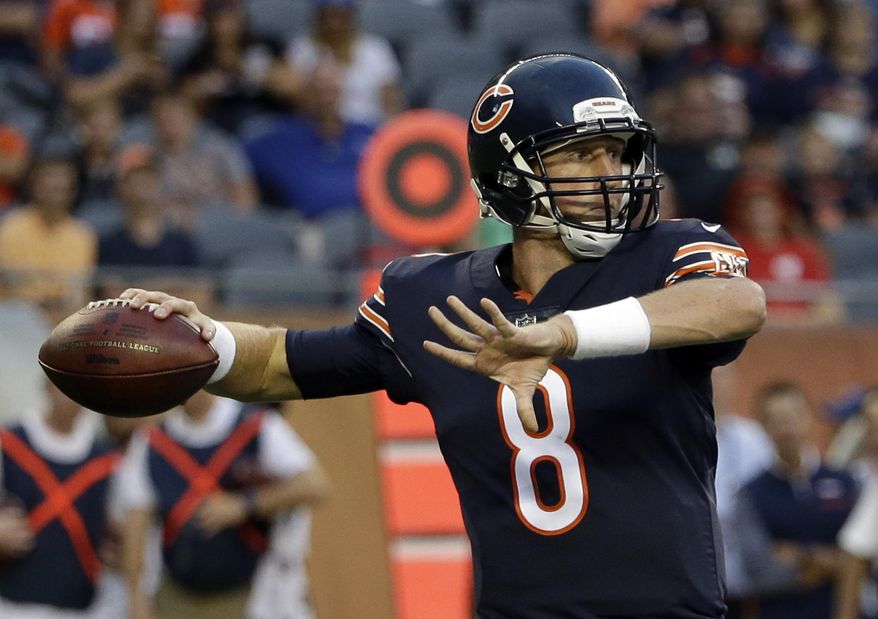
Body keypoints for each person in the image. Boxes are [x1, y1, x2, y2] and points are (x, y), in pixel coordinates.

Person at [119, 54, 767, 617]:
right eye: (583, 152)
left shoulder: (669, 253)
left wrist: (564, 334)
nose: (612, 170)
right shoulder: (433, 296)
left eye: (617, 149)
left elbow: (737, 301)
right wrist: (202, 339)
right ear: (511, 172)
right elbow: (281, 364)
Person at [117, 390, 327, 619]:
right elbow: (136, 520)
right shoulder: (151, 440)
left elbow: (315, 485)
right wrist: (136, 597)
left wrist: (243, 504)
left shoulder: (255, 425)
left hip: (245, 594)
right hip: (176, 594)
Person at [739, 381, 858, 619]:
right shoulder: (751, 493)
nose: (788, 429)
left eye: (793, 416)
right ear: (764, 427)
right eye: (777, 420)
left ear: (809, 417)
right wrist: (834, 562)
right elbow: (758, 567)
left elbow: (861, 556)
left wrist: (799, 555)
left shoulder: (846, 482)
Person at [0, 379, 120, 617]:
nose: (71, 395)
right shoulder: (8, 443)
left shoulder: (107, 462)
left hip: (79, 607)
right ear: (46, 385)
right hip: (11, 604)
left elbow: (122, 535)